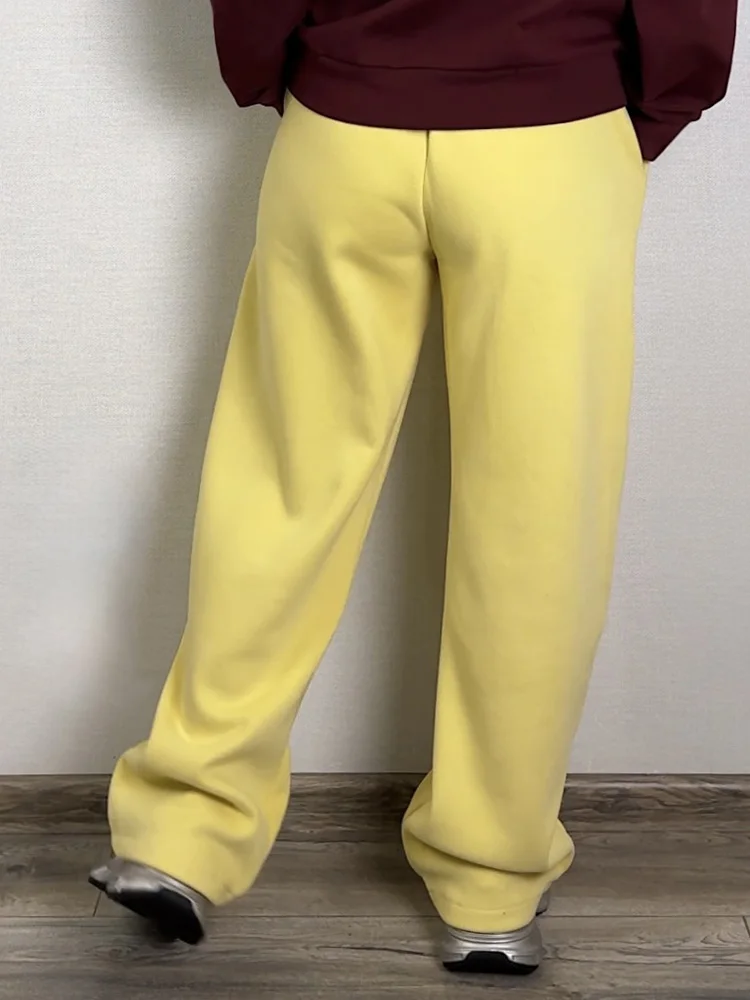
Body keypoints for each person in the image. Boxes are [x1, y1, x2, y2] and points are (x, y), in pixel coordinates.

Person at [91, 0, 738, 975]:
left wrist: (292, 70)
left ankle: (181, 834)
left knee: (283, 487)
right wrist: (653, 96)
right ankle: (491, 886)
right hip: (555, 135)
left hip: (344, 133)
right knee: (538, 515)